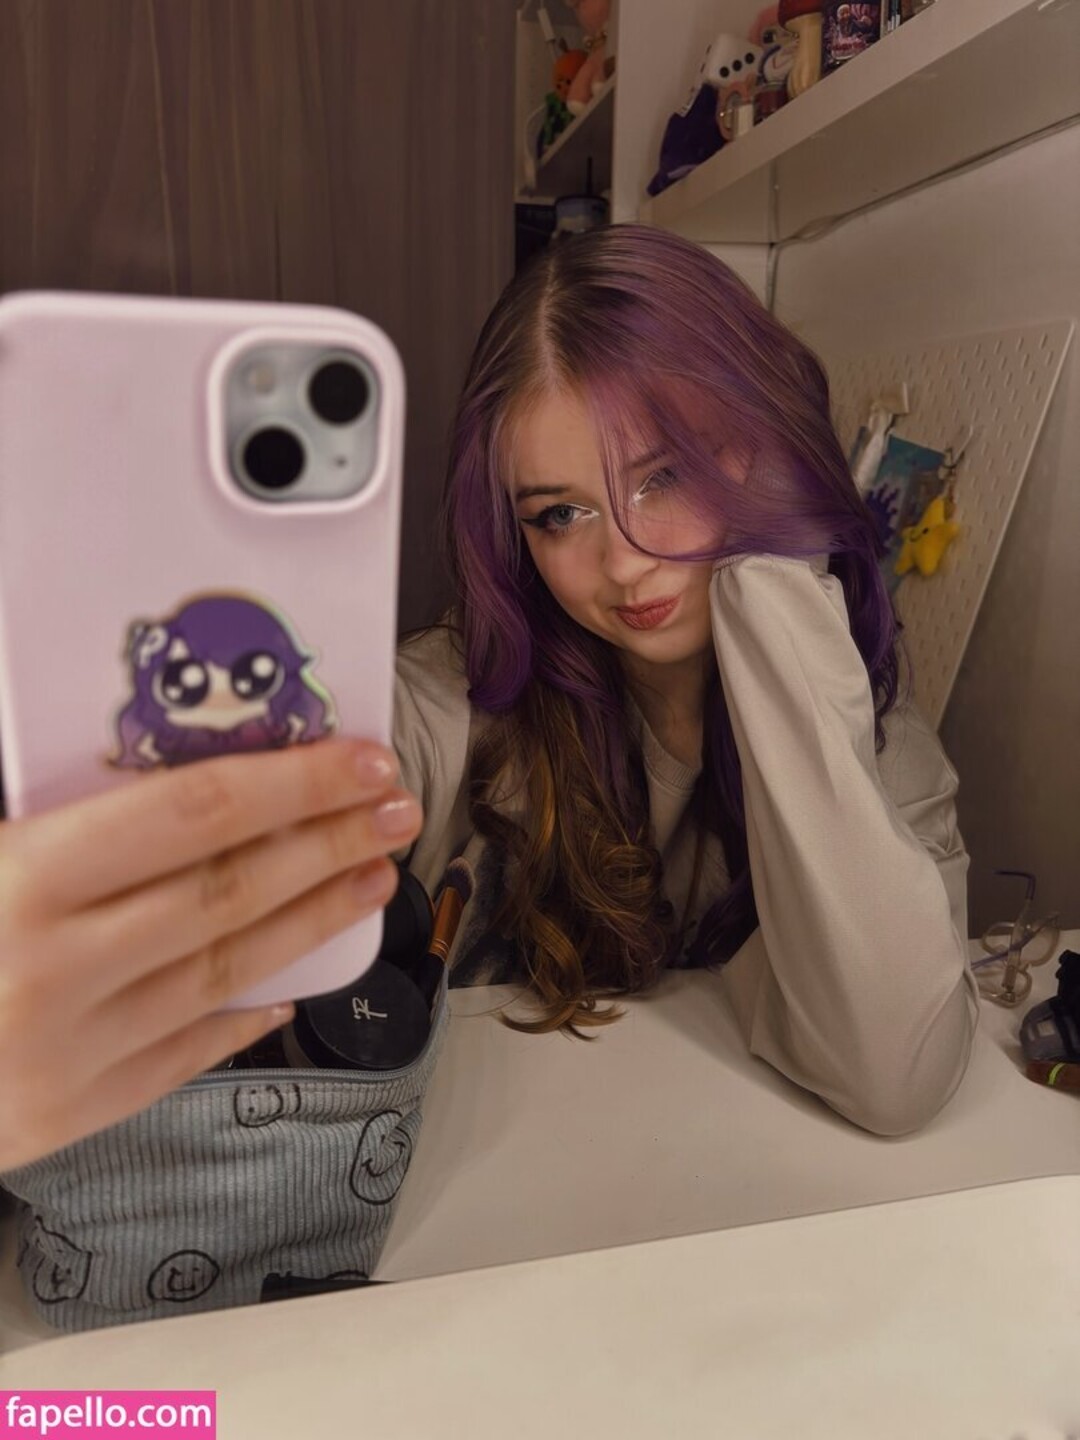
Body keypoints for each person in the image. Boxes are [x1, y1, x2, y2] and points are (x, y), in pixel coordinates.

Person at [0, 225, 977, 1174]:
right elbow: (257, 789)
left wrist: (771, 566)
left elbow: (893, 1075)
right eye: (561, 513)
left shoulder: (875, 735)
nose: (623, 560)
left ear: (765, 443)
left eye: (664, 476)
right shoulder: (455, 702)